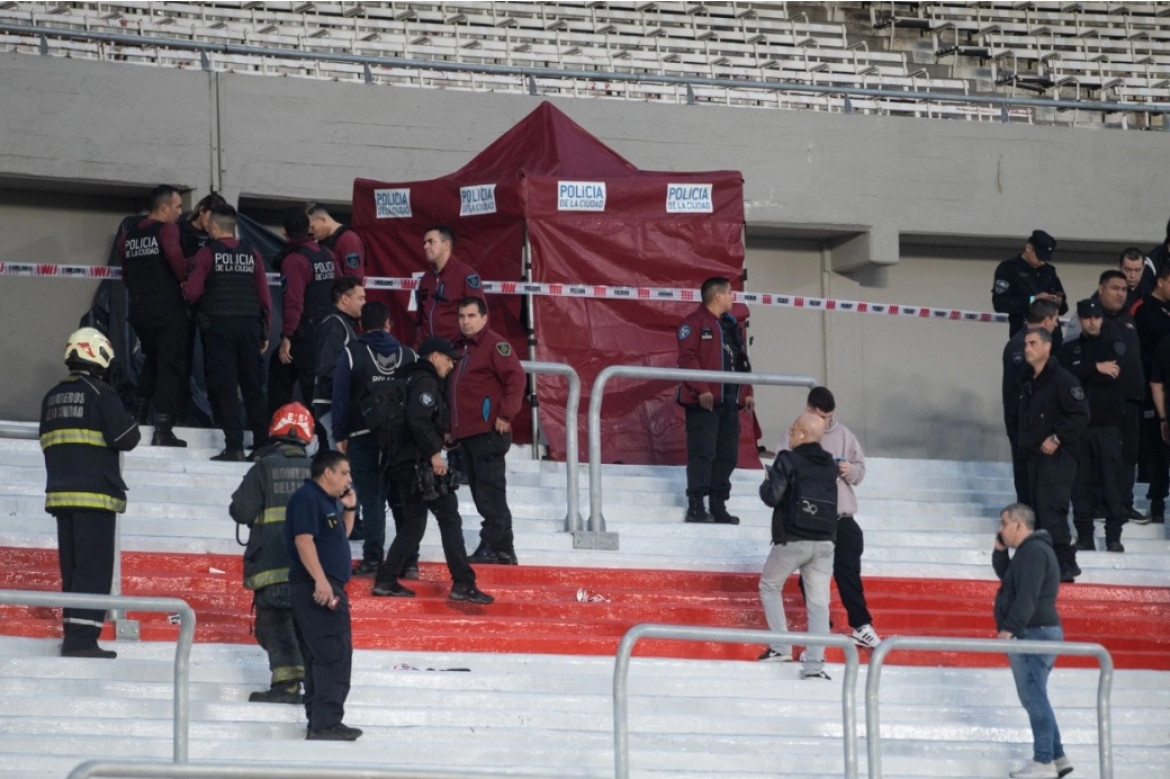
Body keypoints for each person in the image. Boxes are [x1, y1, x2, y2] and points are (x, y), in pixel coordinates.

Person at [40, 327, 141, 658]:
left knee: (72, 570)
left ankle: (74, 634)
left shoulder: (52, 396)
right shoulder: (100, 393)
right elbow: (127, 437)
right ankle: (83, 640)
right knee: (93, 570)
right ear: (99, 355)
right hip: (95, 497)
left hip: (60, 496)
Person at [372, 337, 494, 604]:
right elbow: (418, 418)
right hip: (420, 464)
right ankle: (463, 582)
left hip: (403, 463)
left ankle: (386, 578)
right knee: (450, 518)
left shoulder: (408, 379)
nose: (451, 365)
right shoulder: (425, 381)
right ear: (435, 356)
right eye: (449, 359)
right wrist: (434, 453)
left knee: (414, 525)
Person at [781, 386, 881, 649]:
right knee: (810, 576)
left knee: (848, 572)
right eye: (821, 416)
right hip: (810, 519)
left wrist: (850, 471)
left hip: (841, 516)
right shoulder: (795, 433)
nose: (826, 422)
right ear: (808, 410)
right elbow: (779, 471)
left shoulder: (844, 434)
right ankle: (820, 625)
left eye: (829, 417)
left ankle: (861, 625)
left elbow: (860, 471)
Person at [229, 403, 315, 703]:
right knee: (306, 625)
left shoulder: (263, 468)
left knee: (275, 625)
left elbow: (240, 510)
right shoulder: (319, 470)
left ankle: (287, 686)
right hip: (312, 570)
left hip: (271, 566)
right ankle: (312, 686)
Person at [333, 301, 416, 576]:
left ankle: (372, 559)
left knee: (372, 500)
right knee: (401, 499)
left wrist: (340, 435)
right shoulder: (409, 356)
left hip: (362, 437)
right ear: (388, 323)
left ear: (361, 325)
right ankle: (409, 562)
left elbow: (340, 399)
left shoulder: (351, 353)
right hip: (402, 439)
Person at [184, 204, 272, 461]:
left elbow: (192, 293)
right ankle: (262, 444)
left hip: (219, 327)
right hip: (249, 326)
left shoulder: (206, 254)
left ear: (212, 225)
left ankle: (234, 446)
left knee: (225, 388)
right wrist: (264, 329)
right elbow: (264, 295)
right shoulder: (251, 253)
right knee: (253, 387)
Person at [285, 449, 361, 741]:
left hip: (323, 584)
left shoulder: (326, 501)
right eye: (344, 473)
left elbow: (340, 535)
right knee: (333, 654)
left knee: (322, 655)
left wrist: (349, 509)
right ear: (327, 472)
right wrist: (320, 581)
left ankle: (320, 720)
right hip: (317, 586)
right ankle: (325, 723)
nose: (348, 479)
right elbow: (303, 540)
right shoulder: (308, 498)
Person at [993, 503, 1072, 779]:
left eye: (1004, 524)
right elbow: (1010, 581)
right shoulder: (1028, 552)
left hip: (1033, 633)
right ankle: (1058, 756)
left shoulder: (1034, 552)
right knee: (1037, 696)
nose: (1000, 529)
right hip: (1034, 631)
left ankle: (1044, 760)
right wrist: (1000, 552)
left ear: (1019, 524)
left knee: (1033, 697)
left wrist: (1009, 629)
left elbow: (1027, 596)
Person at [756, 412, 838, 680]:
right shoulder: (829, 463)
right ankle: (815, 666)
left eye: (792, 430)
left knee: (770, 585)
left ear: (802, 434)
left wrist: (766, 484)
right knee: (818, 605)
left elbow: (773, 497)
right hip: (825, 540)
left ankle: (781, 646)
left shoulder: (787, 459)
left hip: (793, 537)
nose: (789, 434)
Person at [1007, 328, 1090, 582]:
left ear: (1047, 347)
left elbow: (1080, 414)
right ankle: (1047, 564)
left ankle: (1066, 562)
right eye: (1025, 344)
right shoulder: (1028, 381)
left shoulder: (1062, 380)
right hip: (1034, 457)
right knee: (1039, 511)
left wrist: (1057, 438)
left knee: (1051, 508)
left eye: (1033, 343)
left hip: (1059, 455)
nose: (1027, 348)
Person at [450, 296, 526, 565]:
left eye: (471, 316)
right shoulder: (459, 348)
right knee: (486, 490)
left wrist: (506, 414)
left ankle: (492, 545)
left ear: (484, 318)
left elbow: (516, 378)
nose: (465, 322)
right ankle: (505, 550)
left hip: (488, 431)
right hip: (468, 433)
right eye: (461, 316)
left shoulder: (494, 345)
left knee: (488, 492)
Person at [677, 276, 755, 524]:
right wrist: (702, 390)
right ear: (718, 296)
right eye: (730, 292)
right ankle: (697, 505)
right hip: (704, 404)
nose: (733, 297)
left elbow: (742, 362)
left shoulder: (731, 326)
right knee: (703, 453)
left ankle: (718, 505)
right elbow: (687, 359)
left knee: (727, 455)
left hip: (730, 402)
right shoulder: (694, 323)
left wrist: (748, 392)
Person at [117, 183, 190, 447]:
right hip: (166, 307)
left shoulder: (130, 235)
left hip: (139, 308)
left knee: (153, 359)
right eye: (178, 206)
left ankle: (136, 415)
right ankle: (163, 429)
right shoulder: (168, 231)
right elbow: (176, 259)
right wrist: (186, 278)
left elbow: (125, 273)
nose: (180, 212)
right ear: (164, 208)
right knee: (170, 365)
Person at [1059, 300, 1128, 553]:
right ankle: (1085, 536)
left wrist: (1085, 371)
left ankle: (1113, 537)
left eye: (1096, 317)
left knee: (1111, 482)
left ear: (1102, 318)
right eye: (1087, 317)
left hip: (1108, 425)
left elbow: (1114, 373)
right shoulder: (1069, 349)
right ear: (1080, 319)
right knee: (1080, 484)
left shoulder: (1114, 345)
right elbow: (1065, 375)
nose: (1092, 321)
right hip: (1079, 427)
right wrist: (1096, 368)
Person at [268, 207, 340, 416]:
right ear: (309, 228)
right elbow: (340, 284)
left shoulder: (294, 261)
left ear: (284, 232)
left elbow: (294, 302)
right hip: (327, 331)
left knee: (290, 381)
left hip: (304, 334)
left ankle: (278, 435)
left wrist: (287, 336)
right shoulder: (326, 254)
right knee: (315, 387)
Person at [1099, 270, 1147, 522]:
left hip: (1131, 399)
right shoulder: (1092, 317)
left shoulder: (1129, 319)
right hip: (1104, 401)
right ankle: (1099, 505)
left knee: (1129, 456)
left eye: (1123, 289)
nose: (1119, 293)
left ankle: (1124, 504)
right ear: (1101, 289)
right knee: (1104, 456)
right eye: (1114, 288)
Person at [1002, 300, 1062, 504]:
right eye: (1055, 319)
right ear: (1046, 320)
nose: (1056, 324)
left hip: (1031, 425)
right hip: (1026, 426)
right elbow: (1023, 389)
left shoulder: (1025, 343)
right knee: (1029, 485)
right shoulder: (1022, 346)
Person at [1126, 262, 1170, 522]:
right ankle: (1156, 502)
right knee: (1157, 448)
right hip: (1151, 388)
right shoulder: (1141, 309)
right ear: (1161, 281)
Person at [312, 277, 365, 452]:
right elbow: (327, 367)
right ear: (345, 299)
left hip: (337, 403)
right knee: (338, 459)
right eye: (360, 298)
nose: (364, 303)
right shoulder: (334, 325)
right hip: (330, 403)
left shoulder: (343, 324)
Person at [992, 229, 1067, 345]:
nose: (1042, 262)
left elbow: (1064, 306)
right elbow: (1000, 303)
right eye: (1040, 257)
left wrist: (1056, 302)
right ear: (1029, 248)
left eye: (1045, 258)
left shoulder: (1049, 272)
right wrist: (1033, 300)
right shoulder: (1008, 269)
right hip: (1024, 335)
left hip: (1051, 338)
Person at [415, 225, 484, 345]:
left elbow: (479, 318)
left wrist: (468, 351)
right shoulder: (426, 278)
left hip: (454, 352)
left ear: (446, 245)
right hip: (428, 352)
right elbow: (420, 318)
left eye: (431, 242)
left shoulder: (467, 276)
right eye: (424, 243)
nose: (425, 246)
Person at [307, 202, 365, 283]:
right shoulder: (322, 241)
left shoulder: (348, 239)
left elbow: (354, 278)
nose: (312, 233)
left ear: (323, 219)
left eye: (313, 227)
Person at [178, 192, 228, 258]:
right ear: (201, 210)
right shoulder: (181, 229)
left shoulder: (218, 235)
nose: (213, 221)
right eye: (211, 216)